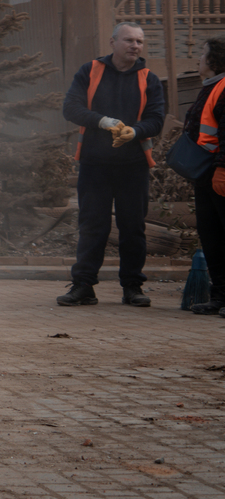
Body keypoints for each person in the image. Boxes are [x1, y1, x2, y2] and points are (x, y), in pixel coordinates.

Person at [58, 22, 168, 307]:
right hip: (95, 164)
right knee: (93, 225)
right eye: (129, 40)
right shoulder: (90, 71)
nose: (135, 46)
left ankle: (132, 287)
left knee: (133, 227)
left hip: (133, 165)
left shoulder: (149, 79)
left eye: (140, 42)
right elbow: (71, 108)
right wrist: (101, 121)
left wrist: (135, 131)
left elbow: (156, 120)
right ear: (113, 42)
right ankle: (83, 286)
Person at [181, 35, 225, 314]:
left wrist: (222, 168)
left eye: (202, 53)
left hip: (218, 173)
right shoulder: (209, 88)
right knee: (212, 235)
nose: (198, 58)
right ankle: (220, 296)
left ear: (214, 60)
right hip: (205, 174)